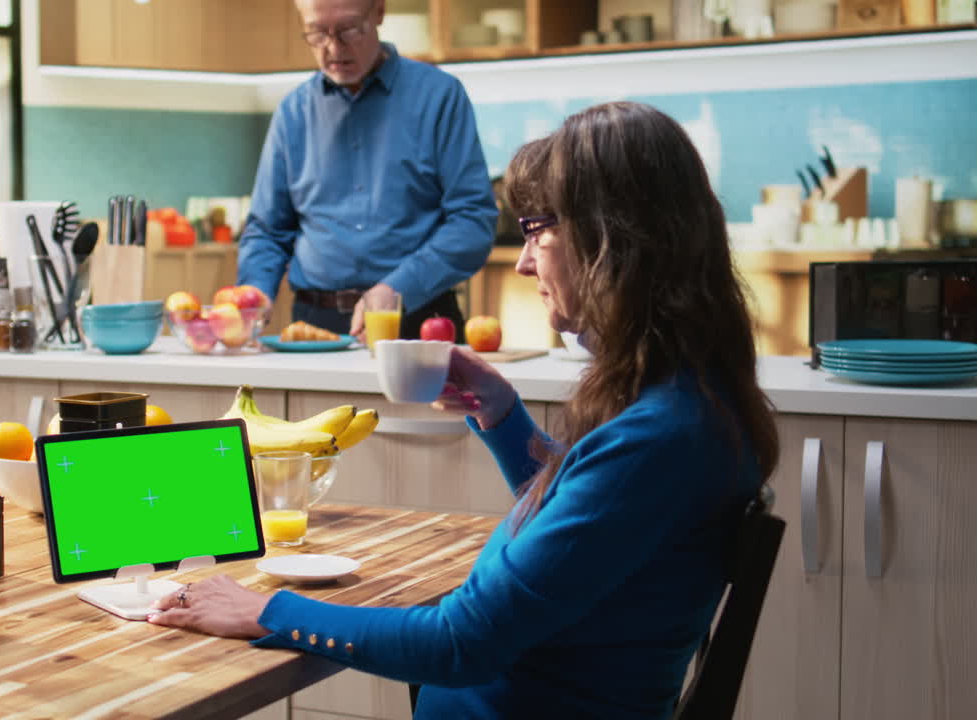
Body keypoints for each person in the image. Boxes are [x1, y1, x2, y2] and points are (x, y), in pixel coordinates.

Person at [151, 101, 780, 719]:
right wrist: (502, 415)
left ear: (613, 238)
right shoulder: (690, 406)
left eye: (537, 230)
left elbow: (461, 643)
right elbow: (587, 519)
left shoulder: (657, 438)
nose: (525, 261)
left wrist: (265, 611)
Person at [236, 0, 497, 340]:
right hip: (315, 325)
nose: (333, 48)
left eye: (348, 30)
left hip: (419, 321)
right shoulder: (292, 112)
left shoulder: (439, 97)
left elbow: (473, 221)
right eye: (317, 33)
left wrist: (399, 288)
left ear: (379, 12)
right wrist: (255, 292)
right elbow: (267, 231)